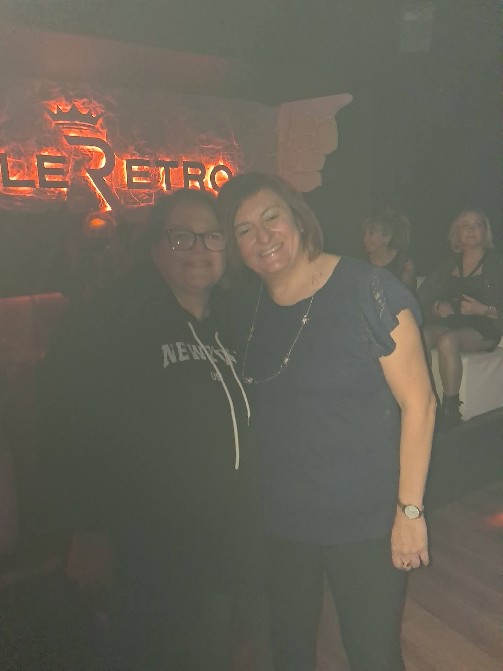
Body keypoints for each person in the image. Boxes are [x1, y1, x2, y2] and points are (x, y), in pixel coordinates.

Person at [217, 172, 436, 671]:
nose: (262, 236)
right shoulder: (245, 307)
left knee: (373, 653)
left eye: (271, 217)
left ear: (299, 218)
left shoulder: (368, 290)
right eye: (244, 229)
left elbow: (420, 403)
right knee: (289, 647)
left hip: (364, 520)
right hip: (280, 519)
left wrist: (410, 513)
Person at [50, 189, 259, 670]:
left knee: (215, 647)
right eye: (181, 237)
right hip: (148, 539)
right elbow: (72, 424)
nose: (199, 249)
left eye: (211, 236)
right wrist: (88, 527)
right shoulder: (114, 319)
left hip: (223, 534)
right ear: (155, 248)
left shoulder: (231, 321)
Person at [420, 209, 503, 428]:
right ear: (456, 233)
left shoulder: (497, 264)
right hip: (452, 323)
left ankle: (450, 410)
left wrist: (483, 309)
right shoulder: (448, 264)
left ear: (485, 232)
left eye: (478, 224)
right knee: (420, 335)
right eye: (465, 225)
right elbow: (422, 297)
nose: (471, 229)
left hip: (485, 326)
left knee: (448, 340)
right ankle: (423, 398)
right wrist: (437, 307)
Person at [362, 207, 416, 291]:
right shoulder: (362, 263)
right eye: (364, 233)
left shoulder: (402, 263)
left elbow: (410, 296)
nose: (365, 239)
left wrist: (408, 281)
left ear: (387, 237)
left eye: (371, 233)